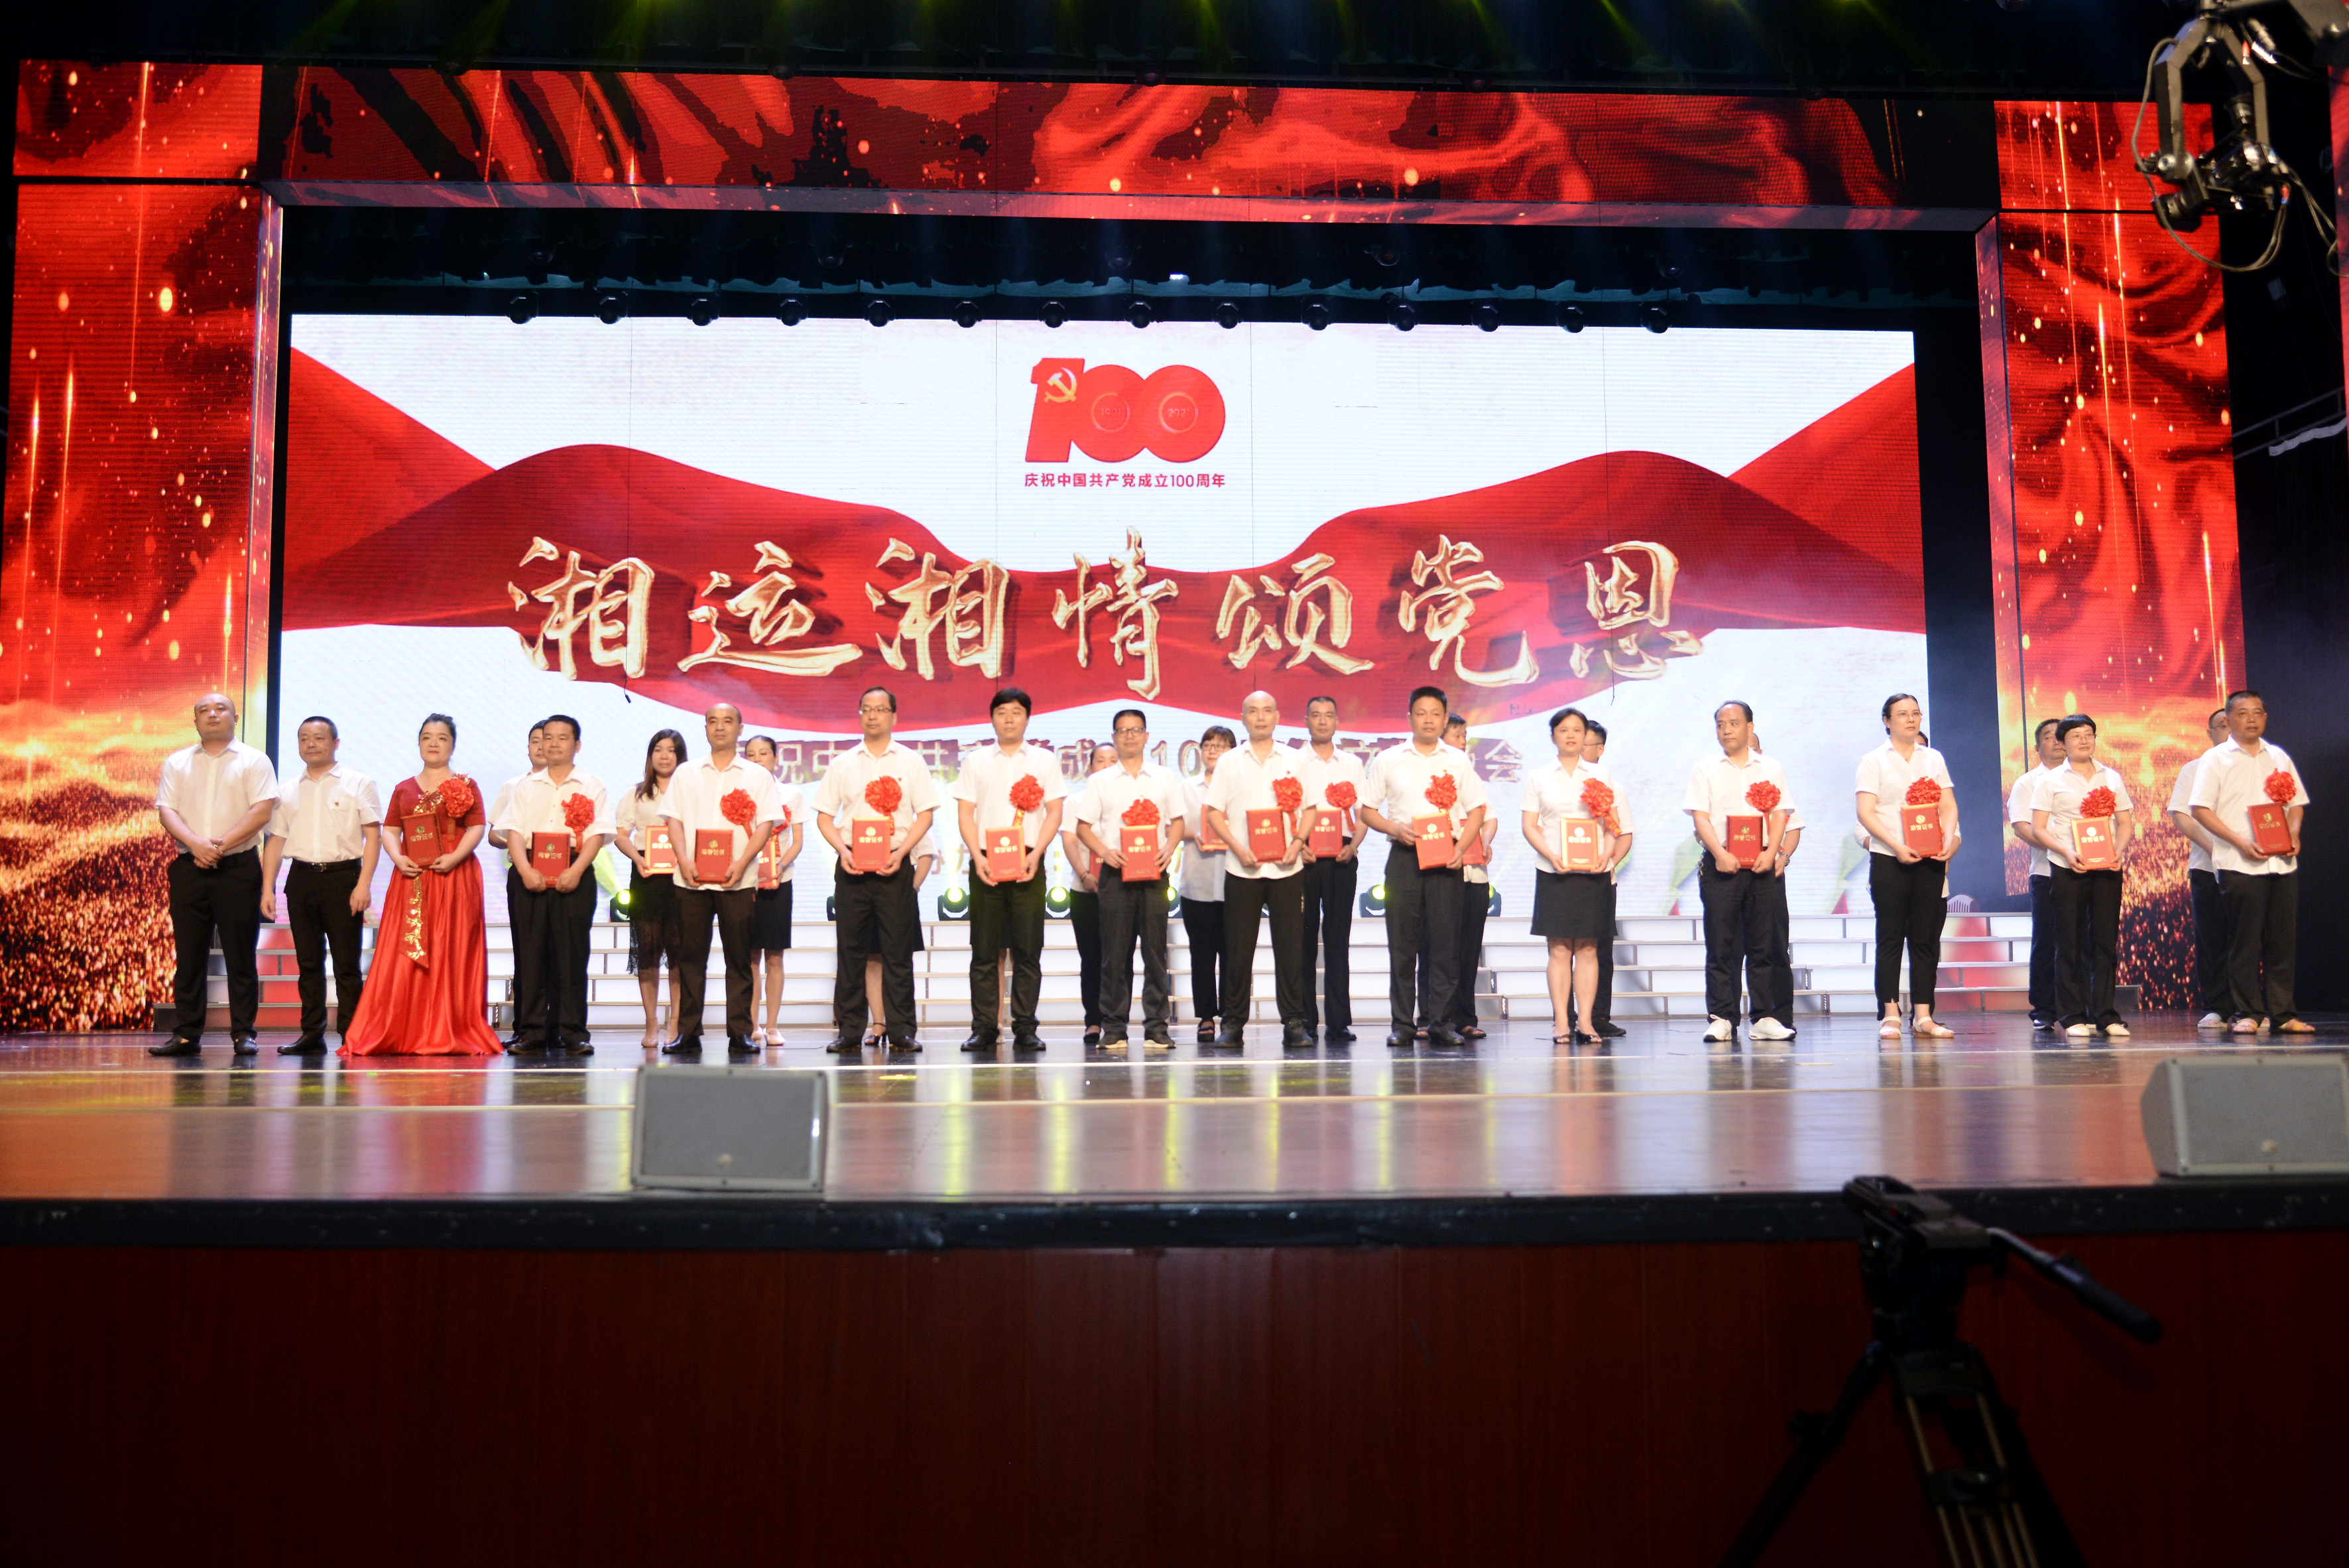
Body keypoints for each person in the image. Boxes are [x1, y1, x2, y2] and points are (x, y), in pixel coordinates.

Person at [341, 713, 501, 1056]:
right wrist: (398, 859)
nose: (433, 743)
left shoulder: (466, 784)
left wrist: (455, 856)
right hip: (412, 876)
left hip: (454, 877)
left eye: (442, 738)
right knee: (404, 952)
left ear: (453, 745)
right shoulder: (404, 788)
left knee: (451, 948)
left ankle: (447, 1028)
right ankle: (403, 1028)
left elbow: (476, 827)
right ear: (418, 743)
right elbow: (390, 830)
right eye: (427, 737)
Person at [1359, 686, 1488, 1052]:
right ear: (1410, 718)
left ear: (1445, 719)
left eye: (1435, 714)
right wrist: (1393, 828)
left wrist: (1461, 848)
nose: (1428, 720)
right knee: (1402, 944)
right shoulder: (1389, 759)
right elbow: (1367, 810)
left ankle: (1441, 1023)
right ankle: (1402, 1024)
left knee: (1446, 945)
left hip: (1446, 859)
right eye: (1421, 713)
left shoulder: (1458, 761)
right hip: (1404, 857)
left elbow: (1477, 809)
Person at [812, 686, 939, 1053]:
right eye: (866, 709)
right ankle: (850, 1030)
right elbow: (824, 817)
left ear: (894, 716)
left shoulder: (911, 762)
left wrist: (903, 853)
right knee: (850, 951)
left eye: (880, 709)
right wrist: (842, 851)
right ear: (859, 715)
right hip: (852, 865)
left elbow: (926, 814)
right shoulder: (843, 763)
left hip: (895, 864)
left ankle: (901, 1031)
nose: (872, 715)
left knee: (897, 953)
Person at [153, 692, 280, 1055]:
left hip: (238, 868)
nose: (212, 714)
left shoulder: (255, 760)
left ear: (235, 718)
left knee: (240, 954)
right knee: (189, 955)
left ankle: (244, 1034)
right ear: (195, 721)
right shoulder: (177, 762)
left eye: (221, 709)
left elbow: (261, 811)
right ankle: (186, 1034)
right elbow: (167, 812)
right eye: (204, 710)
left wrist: (217, 847)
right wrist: (197, 845)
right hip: (189, 868)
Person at [660, 703, 786, 1057]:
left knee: (740, 959)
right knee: (690, 959)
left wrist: (744, 862)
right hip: (691, 880)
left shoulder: (756, 775)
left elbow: (766, 824)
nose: (720, 727)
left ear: (740, 728)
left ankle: (741, 1032)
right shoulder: (686, 773)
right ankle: (687, 1032)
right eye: (712, 721)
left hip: (738, 880)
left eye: (727, 721)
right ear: (705, 729)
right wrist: (683, 859)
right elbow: (673, 820)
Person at [2191, 690, 2313, 1036]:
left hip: (2281, 864)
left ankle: (2283, 1014)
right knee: (2243, 941)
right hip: (2239, 862)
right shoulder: (2215, 758)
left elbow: (2296, 803)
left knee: (2282, 942)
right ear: (2228, 719)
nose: (2252, 719)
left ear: (2265, 717)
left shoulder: (2278, 756)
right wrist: (2239, 841)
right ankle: (2248, 1012)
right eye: (2243, 713)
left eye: (2258, 712)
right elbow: (2200, 809)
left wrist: (2294, 834)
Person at [257, 715, 382, 1056]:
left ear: (336, 743)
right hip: (301, 880)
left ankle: (351, 1036)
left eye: (319, 738)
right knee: (308, 963)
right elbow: (276, 841)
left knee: (347, 966)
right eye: (304, 739)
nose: (311, 744)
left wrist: (364, 885)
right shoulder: (287, 790)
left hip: (344, 879)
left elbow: (373, 837)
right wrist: (268, 888)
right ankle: (311, 1034)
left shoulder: (359, 783)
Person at [953, 688, 1065, 1054]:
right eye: (1002, 712)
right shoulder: (975, 761)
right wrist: (976, 856)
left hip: (1028, 860)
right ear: (992, 718)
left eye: (1016, 712)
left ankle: (1026, 1028)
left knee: (1027, 950)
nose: (1009, 719)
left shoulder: (1045, 760)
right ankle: (985, 1028)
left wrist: (1038, 853)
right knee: (985, 950)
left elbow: (1055, 812)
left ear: (1027, 718)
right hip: (986, 861)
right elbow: (965, 813)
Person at [493, 714, 613, 1057]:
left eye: (562, 737)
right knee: (531, 956)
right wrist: (524, 869)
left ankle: (572, 1033)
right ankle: (531, 1032)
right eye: (548, 737)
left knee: (572, 955)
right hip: (529, 871)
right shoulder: (526, 786)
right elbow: (514, 832)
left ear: (577, 745)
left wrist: (576, 870)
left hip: (574, 871)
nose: (554, 743)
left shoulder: (591, 785)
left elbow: (597, 834)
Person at [1685, 700, 1802, 1044]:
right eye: (1721, 724)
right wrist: (1719, 853)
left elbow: (1780, 813)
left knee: (1764, 944)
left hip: (1761, 865)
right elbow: (1700, 817)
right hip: (1721, 865)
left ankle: (1764, 1017)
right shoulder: (1705, 768)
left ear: (1750, 727)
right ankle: (1722, 1017)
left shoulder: (1770, 767)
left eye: (1734, 723)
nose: (1727, 730)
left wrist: (1771, 852)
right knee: (1721, 944)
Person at [1203, 691, 1312, 1048]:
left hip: (1287, 868)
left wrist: (1298, 843)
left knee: (1290, 949)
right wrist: (1237, 847)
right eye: (1253, 711)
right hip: (1242, 868)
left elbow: (1310, 809)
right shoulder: (1229, 761)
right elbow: (1214, 813)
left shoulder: (1295, 759)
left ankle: (1294, 1022)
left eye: (1267, 711)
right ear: (1243, 717)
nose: (1261, 717)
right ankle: (1233, 1024)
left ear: (1277, 716)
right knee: (1238, 951)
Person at [1074, 709, 1187, 1048]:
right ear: (1114, 736)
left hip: (1154, 873)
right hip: (1115, 875)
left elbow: (1178, 822)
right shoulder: (1100, 781)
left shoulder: (1164, 778)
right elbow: (1083, 827)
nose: (1129, 736)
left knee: (1155, 954)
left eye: (1135, 730)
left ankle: (1157, 1027)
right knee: (1114, 954)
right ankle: (1114, 1027)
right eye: (1122, 731)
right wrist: (1104, 852)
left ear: (1146, 736)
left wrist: (1169, 847)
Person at [1522, 707, 1632, 1046]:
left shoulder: (1601, 774)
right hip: (1554, 870)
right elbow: (1530, 826)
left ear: (1585, 736)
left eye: (1577, 730)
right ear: (1553, 736)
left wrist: (1607, 854)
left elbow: (1612, 824)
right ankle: (1561, 1022)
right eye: (1564, 730)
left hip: (1593, 872)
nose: (1570, 735)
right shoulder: (1539, 777)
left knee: (1587, 948)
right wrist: (1550, 854)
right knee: (1558, 949)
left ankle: (1585, 1021)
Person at [1855, 694, 1960, 1041]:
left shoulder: (1933, 758)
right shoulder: (1873, 760)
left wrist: (1947, 839)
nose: (1911, 719)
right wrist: (1896, 846)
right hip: (1890, 858)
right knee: (1890, 937)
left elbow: (1948, 806)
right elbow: (1866, 812)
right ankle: (1890, 1014)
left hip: (1930, 857)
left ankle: (1924, 1015)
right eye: (1902, 714)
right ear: (1887, 721)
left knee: (1926, 939)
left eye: (1916, 713)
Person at [2030, 715, 2135, 1041]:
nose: (2084, 740)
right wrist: (2066, 851)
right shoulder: (2050, 780)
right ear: (2063, 743)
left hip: (2107, 868)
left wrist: (2118, 852)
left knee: (2105, 941)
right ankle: (2071, 1016)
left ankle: (2105, 1015)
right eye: (2076, 736)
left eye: (2089, 734)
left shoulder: (2111, 776)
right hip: (2067, 868)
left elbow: (2125, 823)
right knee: (2069, 942)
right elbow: (2038, 828)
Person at [1294, 696, 1368, 1044]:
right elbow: (1285, 809)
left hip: (1342, 855)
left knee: (1338, 939)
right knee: (1303, 940)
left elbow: (1364, 812)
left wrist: (1354, 846)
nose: (1322, 721)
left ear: (1337, 721)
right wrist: (1298, 845)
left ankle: (1338, 1022)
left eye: (1329, 716)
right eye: (1316, 715)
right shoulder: (1294, 761)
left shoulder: (1352, 763)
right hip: (1305, 855)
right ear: (1306, 720)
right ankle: (1304, 1020)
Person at [615, 729, 688, 1050]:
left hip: (682, 876)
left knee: (680, 955)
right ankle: (652, 1023)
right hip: (646, 874)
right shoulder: (637, 793)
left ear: (680, 756)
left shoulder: (690, 793)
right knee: (648, 953)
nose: (664, 755)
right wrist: (638, 859)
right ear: (650, 755)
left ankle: (676, 1022)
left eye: (671, 750)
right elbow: (621, 834)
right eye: (658, 749)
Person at [2168, 707, 2236, 1029]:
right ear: (2209, 733)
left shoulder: (2261, 766)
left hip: (2254, 868)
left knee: (2248, 939)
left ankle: (2250, 1008)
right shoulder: (2194, 769)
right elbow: (2181, 814)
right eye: (2221, 726)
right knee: (2212, 939)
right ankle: (2218, 1007)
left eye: (2233, 723)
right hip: (2208, 868)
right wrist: (2214, 848)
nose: (2229, 729)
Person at [741, 735, 807, 1048]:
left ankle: (772, 1026)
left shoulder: (791, 795)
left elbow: (797, 841)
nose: (758, 760)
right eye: (751, 755)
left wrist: (779, 866)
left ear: (776, 759)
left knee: (775, 956)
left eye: (764, 754)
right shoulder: (737, 796)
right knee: (750, 957)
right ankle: (752, 1025)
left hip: (780, 881)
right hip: (745, 882)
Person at [487, 721, 550, 1048]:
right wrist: (520, 843)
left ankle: (557, 1027)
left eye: (547, 740)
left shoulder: (572, 786)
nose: (541, 746)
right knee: (526, 953)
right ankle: (525, 1027)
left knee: (558, 954)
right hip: (523, 873)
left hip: (561, 874)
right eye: (535, 741)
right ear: (528, 748)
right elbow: (493, 834)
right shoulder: (513, 786)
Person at [2008, 719, 2067, 1031]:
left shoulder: (2090, 778)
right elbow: (2022, 827)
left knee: (2083, 941)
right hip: (2047, 871)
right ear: (2036, 747)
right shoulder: (2028, 782)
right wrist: (2062, 849)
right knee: (2047, 941)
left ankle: (2084, 1007)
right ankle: (2044, 1008)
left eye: (2061, 736)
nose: (2056, 741)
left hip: (2089, 869)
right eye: (2048, 736)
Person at [1178, 727, 1235, 1043]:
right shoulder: (1187, 788)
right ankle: (1205, 1017)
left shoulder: (1240, 788)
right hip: (1197, 883)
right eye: (1209, 745)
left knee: (1232, 954)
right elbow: (1172, 827)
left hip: (1235, 881)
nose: (1214, 751)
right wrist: (1194, 834)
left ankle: (1231, 1015)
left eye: (1221, 746)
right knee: (1201, 954)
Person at [1443, 713, 1498, 1040]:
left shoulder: (1472, 777)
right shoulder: (1427, 778)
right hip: (1441, 875)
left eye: (1465, 735)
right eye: (1457, 735)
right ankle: (1435, 1018)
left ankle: (1465, 1017)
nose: (1463, 741)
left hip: (1475, 874)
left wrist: (1486, 841)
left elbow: (1489, 818)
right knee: (1439, 949)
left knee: (1468, 949)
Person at [863, 830, 941, 1047]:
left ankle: (900, 1027)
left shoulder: (912, 819)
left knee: (899, 960)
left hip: (900, 893)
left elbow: (927, 854)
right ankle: (878, 1023)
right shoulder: (862, 820)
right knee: (872, 959)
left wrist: (912, 887)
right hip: (866, 891)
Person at [1063, 745, 1117, 1046]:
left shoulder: (1126, 800)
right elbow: (1070, 841)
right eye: (1101, 761)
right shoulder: (1075, 801)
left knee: (1118, 958)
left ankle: (1116, 1021)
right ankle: (1093, 1020)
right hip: (1085, 889)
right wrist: (1085, 874)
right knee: (1092, 959)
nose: (1107, 766)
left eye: (1113, 761)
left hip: (1120, 889)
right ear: (1090, 768)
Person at [1577, 719, 1625, 1038]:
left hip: (1601, 879)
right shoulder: (1559, 785)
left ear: (1600, 749)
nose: (1578, 748)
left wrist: (1608, 863)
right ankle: (1568, 1016)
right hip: (1565, 878)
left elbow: (1623, 833)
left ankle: (1599, 1017)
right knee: (1565, 950)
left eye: (1586, 744)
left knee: (1601, 951)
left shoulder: (1611, 786)